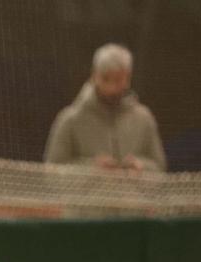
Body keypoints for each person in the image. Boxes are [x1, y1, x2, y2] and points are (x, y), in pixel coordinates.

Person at [44, 43, 166, 173]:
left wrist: (141, 167)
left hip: (131, 194)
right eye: (106, 79)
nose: (112, 87)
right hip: (87, 194)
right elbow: (51, 172)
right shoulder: (70, 119)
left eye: (118, 80)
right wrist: (90, 169)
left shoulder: (144, 118)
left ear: (128, 77)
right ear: (94, 76)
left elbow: (160, 168)